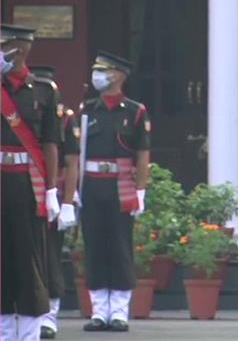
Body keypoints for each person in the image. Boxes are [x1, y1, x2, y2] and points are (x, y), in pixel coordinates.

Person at [79, 50, 150, 332]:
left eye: (104, 70)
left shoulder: (135, 111)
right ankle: (99, 310)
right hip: (92, 185)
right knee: (94, 246)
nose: (98, 75)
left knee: (120, 247)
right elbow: (77, 153)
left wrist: (141, 191)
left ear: (119, 75)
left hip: (121, 186)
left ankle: (119, 310)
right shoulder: (87, 110)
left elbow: (142, 154)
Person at [0, 24, 61, 340]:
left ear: (20, 49)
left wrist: (51, 189)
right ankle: (5, 330)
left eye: (3, 45)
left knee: (31, 257)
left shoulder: (44, 90)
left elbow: (51, 143)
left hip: (28, 182)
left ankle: (31, 329)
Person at [28, 67, 78, 339]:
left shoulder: (64, 118)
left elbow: (71, 162)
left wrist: (68, 201)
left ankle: (49, 315)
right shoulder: (20, 112)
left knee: (50, 257)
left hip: (51, 192)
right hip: (23, 187)